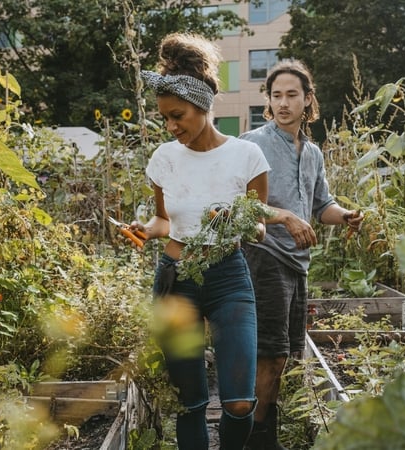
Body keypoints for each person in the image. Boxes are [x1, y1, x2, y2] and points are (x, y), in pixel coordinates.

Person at [129, 33, 270, 449]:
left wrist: (236, 224)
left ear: (203, 107)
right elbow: (163, 220)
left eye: (178, 116)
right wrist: (144, 228)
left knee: (241, 401)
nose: (172, 127)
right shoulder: (164, 158)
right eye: (165, 119)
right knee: (189, 401)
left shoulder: (246, 157)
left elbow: (258, 225)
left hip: (229, 278)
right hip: (177, 282)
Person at [239, 59, 363, 450]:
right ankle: (255, 440)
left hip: (296, 265)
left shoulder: (312, 152)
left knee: (286, 355)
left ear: (308, 99)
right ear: (269, 101)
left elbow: (321, 204)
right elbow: (239, 204)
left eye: (292, 95)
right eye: (276, 95)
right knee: (269, 355)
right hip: (263, 256)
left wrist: (345, 216)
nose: (283, 103)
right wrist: (285, 218)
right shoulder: (252, 143)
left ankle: (264, 437)